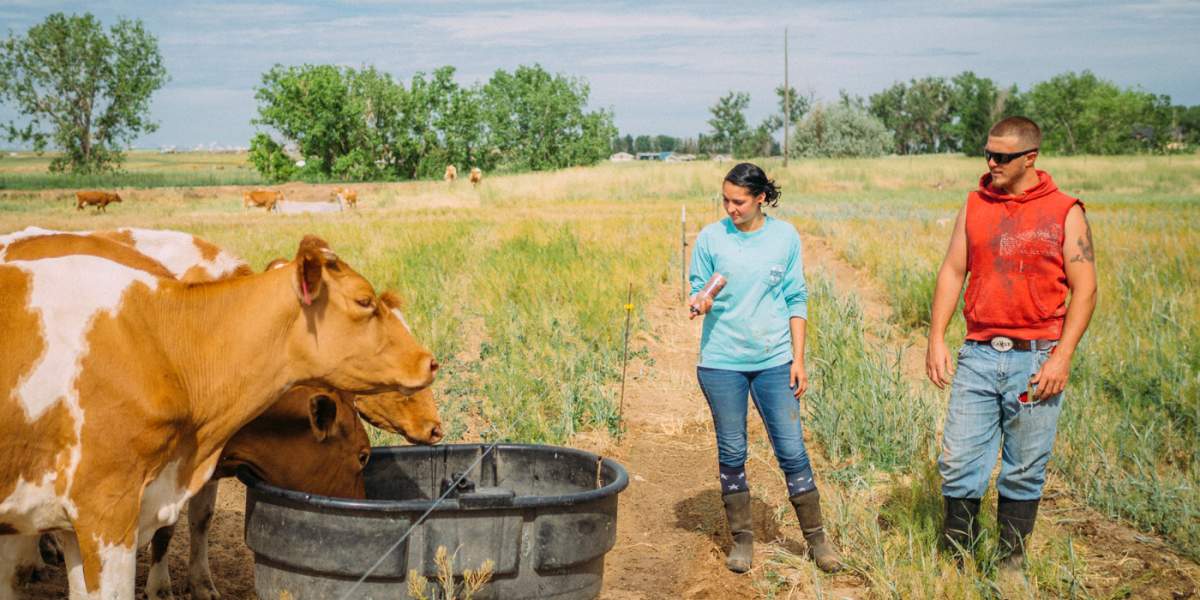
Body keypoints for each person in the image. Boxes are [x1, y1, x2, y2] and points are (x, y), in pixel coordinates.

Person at [925, 117, 1097, 573]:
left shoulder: (1065, 210)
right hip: (979, 355)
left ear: (1030, 158)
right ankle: (956, 560)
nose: (991, 163)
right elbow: (951, 271)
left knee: (1024, 467)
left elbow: (1087, 287)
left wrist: (1062, 356)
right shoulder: (974, 204)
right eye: (988, 153)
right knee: (959, 460)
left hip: (1037, 358)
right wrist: (936, 337)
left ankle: (1010, 564)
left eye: (1002, 157)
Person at [688, 162, 841, 574]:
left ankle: (817, 541)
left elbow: (796, 298)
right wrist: (701, 301)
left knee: (791, 449)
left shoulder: (784, 237)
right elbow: (696, 287)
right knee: (733, 450)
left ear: (760, 198)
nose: (730, 208)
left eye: (738, 201)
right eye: (725, 200)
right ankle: (742, 540)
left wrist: (799, 359)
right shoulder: (711, 237)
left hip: (775, 361)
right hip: (721, 364)